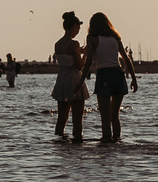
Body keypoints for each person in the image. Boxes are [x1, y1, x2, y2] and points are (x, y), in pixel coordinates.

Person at [86, 11, 136, 143]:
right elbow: (126, 59)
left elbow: (88, 60)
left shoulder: (92, 38)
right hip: (118, 76)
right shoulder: (115, 38)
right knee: (115, 116)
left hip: (103, 76)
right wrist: (134, 79)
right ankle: (117, 142)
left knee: (105, 117)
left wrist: (80, 80)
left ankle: (106, 143)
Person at [51, 11, 87, 142]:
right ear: (74, 26)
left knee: (62, 118)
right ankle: (77, 142)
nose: (79, 30)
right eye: (78, 27)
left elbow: (67, 58)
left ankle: (59, 140)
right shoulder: (74, 43)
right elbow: (79, 66)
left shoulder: (57, 44)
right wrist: (86, 54)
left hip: (62, 80)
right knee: (77, 119)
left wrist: (79, 52)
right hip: (74, 79)